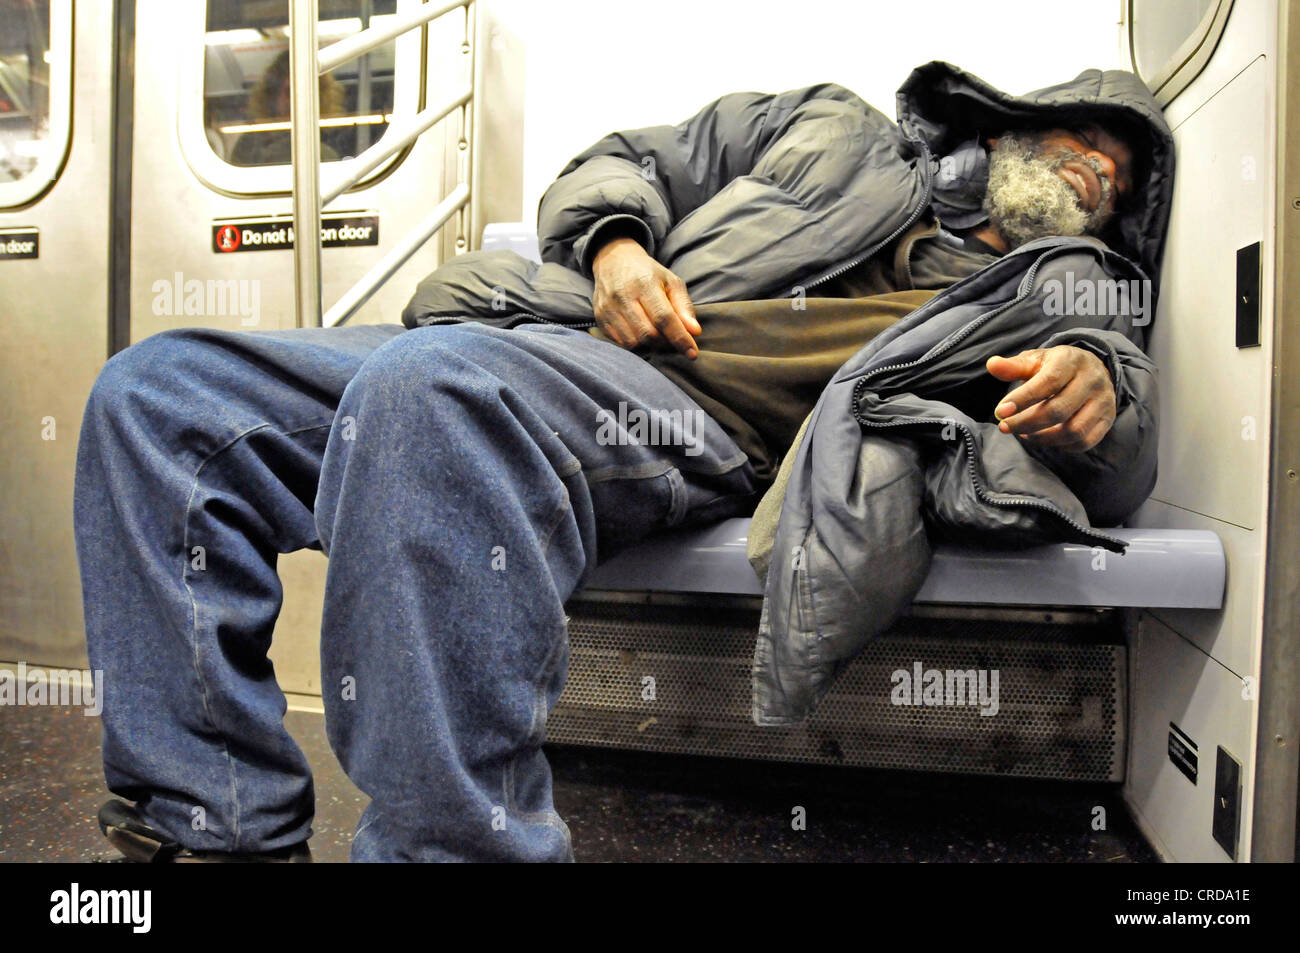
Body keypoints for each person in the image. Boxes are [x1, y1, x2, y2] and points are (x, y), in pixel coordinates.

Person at [78, 60, 1171, 862]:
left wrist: (1089, 387)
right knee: (159, 396)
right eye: (1082, 143)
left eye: (1116, 181)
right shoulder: (831, 128)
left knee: (434, 392)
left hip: (695, 428)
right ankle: (208, 825)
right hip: (551, 338)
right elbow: (629, 160)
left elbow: (1120, 449)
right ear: (1015, 123)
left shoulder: (1063, 290)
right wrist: (616, 244)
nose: (1093, 175)